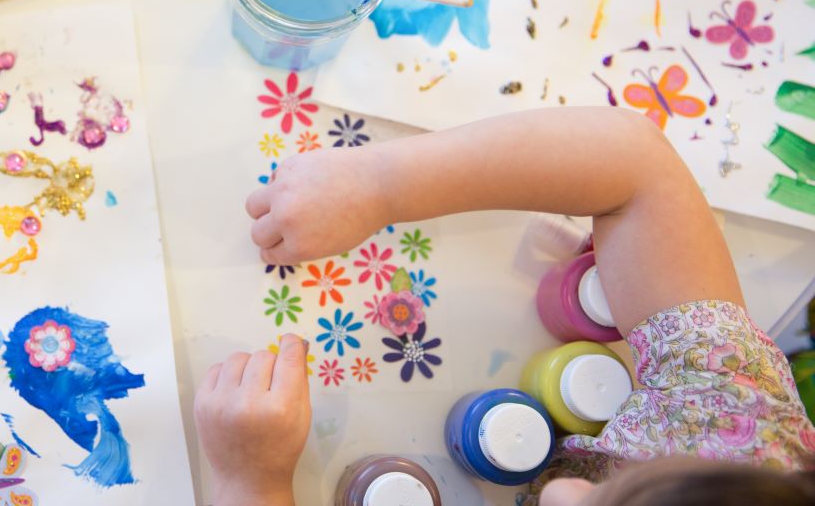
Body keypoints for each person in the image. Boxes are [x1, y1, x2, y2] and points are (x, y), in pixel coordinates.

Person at [193, 108, 815, 505]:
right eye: (611, 494)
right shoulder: (743, 442)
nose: (566, 492)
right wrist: (383, 183)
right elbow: (638, 166)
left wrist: (252, 479)